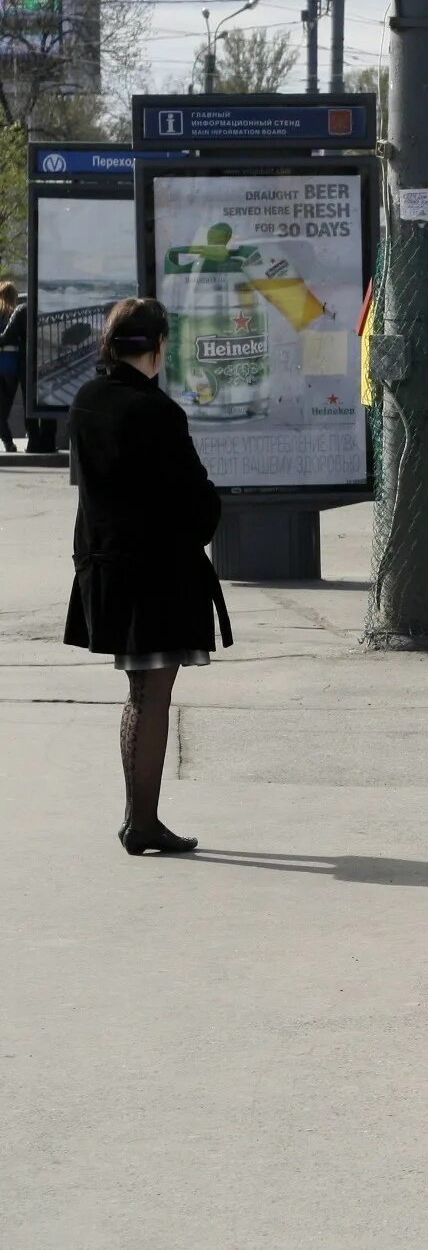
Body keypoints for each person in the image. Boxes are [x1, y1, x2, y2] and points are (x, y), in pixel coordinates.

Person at [63, 298, 232, 855]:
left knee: (141, 691)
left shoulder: (86, 401)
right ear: (158, 346)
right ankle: (141, 822)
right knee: (151, 696)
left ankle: (141, 817)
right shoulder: (156, 412)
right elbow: (194, 502)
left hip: (104, 565)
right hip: (155, 574)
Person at [0, 282, 23, 453]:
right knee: (5, 407)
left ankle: (8, 442)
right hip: (12, 365)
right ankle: (8, 442)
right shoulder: (16, 314)